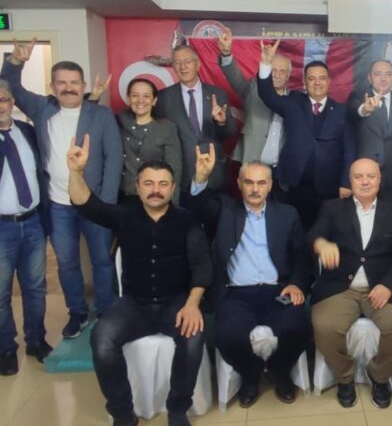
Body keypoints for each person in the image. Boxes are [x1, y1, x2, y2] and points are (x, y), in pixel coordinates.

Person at [68, 137, 211, 426]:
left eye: (162, 184)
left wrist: (192, 304)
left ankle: (178, 408)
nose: (155, 190)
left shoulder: (186, 220)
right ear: (137, 187)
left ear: (172, 188)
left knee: (193, 337)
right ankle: (122, 412)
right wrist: (76, 172)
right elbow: (86, 204)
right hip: (133, 305)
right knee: (102, 339)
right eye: (148, 183)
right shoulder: (124, 216)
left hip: (175, 303)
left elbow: (202, 266)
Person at [1, 38, 122, 338]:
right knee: (67, 263)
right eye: (62, 83)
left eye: (74, 82)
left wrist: (105, 203)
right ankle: (77, 312)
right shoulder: (41, 108)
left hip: (95, 202)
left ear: (83, 86)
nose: (69, 88)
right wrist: (15, 62)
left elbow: (113, 159)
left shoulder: (101, 115)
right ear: (52, 86)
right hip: (57, 205)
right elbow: (10, 88)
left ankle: (106, 310)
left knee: (101, 260)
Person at [189, 145, 312, 407]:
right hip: (236, 293)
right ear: (239, 184)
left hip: (278, 291)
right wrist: (201, 178)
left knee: (297, 327)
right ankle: (251, 375)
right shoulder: (225, 210)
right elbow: (199, 208)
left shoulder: (287, 214)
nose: (255, 189)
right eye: (249, 182)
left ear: (270, 186)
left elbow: (303, 256)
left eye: (261, 183)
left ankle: (280, 371)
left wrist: (295, 284)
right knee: (228, 335)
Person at [308, 158, 392, 409]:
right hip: (340, 288)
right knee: (324, 326)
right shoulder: (332, 208)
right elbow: (313, 235)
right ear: (350, 180)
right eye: (358, 177)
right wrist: (321, 244)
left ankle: (379, 375)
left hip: (381, 288)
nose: (365, 181)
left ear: (379, 180)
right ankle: (344, 377)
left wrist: (388, 285)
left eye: (370, 176)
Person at [257, 40, 356, 229]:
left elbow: (350, 149)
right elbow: (267, 95)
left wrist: (346, 183)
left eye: (321, 78)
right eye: (311, 78)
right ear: (305, 81)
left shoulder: (342, 111)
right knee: (292, 231)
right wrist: (266, 64)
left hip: (329, 187)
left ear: (329, 81)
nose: (317, 83)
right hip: (294, 184)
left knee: (325, 232)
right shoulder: (293, 102)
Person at [0, 80, 52, 376]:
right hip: (1, 228)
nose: (0, 106)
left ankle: (36, 341)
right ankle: (6, 349)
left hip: (32, 222)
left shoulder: (27, 132)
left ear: (12, 102)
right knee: (1, 294)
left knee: (35, 287)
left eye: (4, 99)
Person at [154, 44, 235, 199]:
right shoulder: (163, 98)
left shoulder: (218, 94)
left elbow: (230, 133)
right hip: (182, 177)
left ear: (198, 64)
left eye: (187, 61)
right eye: (177, 62)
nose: (183, 66)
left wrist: (221, 123)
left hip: (215, 174)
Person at [217, 27, 291, 175]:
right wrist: (226, 53)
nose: (277, 75)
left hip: (281, 172)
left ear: (288, 76)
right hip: (251, 165)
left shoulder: (294, 100)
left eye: (282, 71)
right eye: (273, 70)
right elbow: (234, 78)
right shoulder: (252, 89)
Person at [348, 60, 392, 203]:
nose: (383, 79)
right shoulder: (358, 97)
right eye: (378, 74)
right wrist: (364, 109)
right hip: (365, 176)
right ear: (369, 78)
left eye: (388, 74)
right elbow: (354, 110)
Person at [117, 78, 181, 205]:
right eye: (135, 95)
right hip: (124, 196)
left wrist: (172, 207)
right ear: (128, 99)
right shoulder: (119, 120)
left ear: (154, 100)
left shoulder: (166, 128)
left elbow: (174, 169)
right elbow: (93, 117)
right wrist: (94, 96)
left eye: (146, 96)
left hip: (155, 197)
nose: (140, 100)